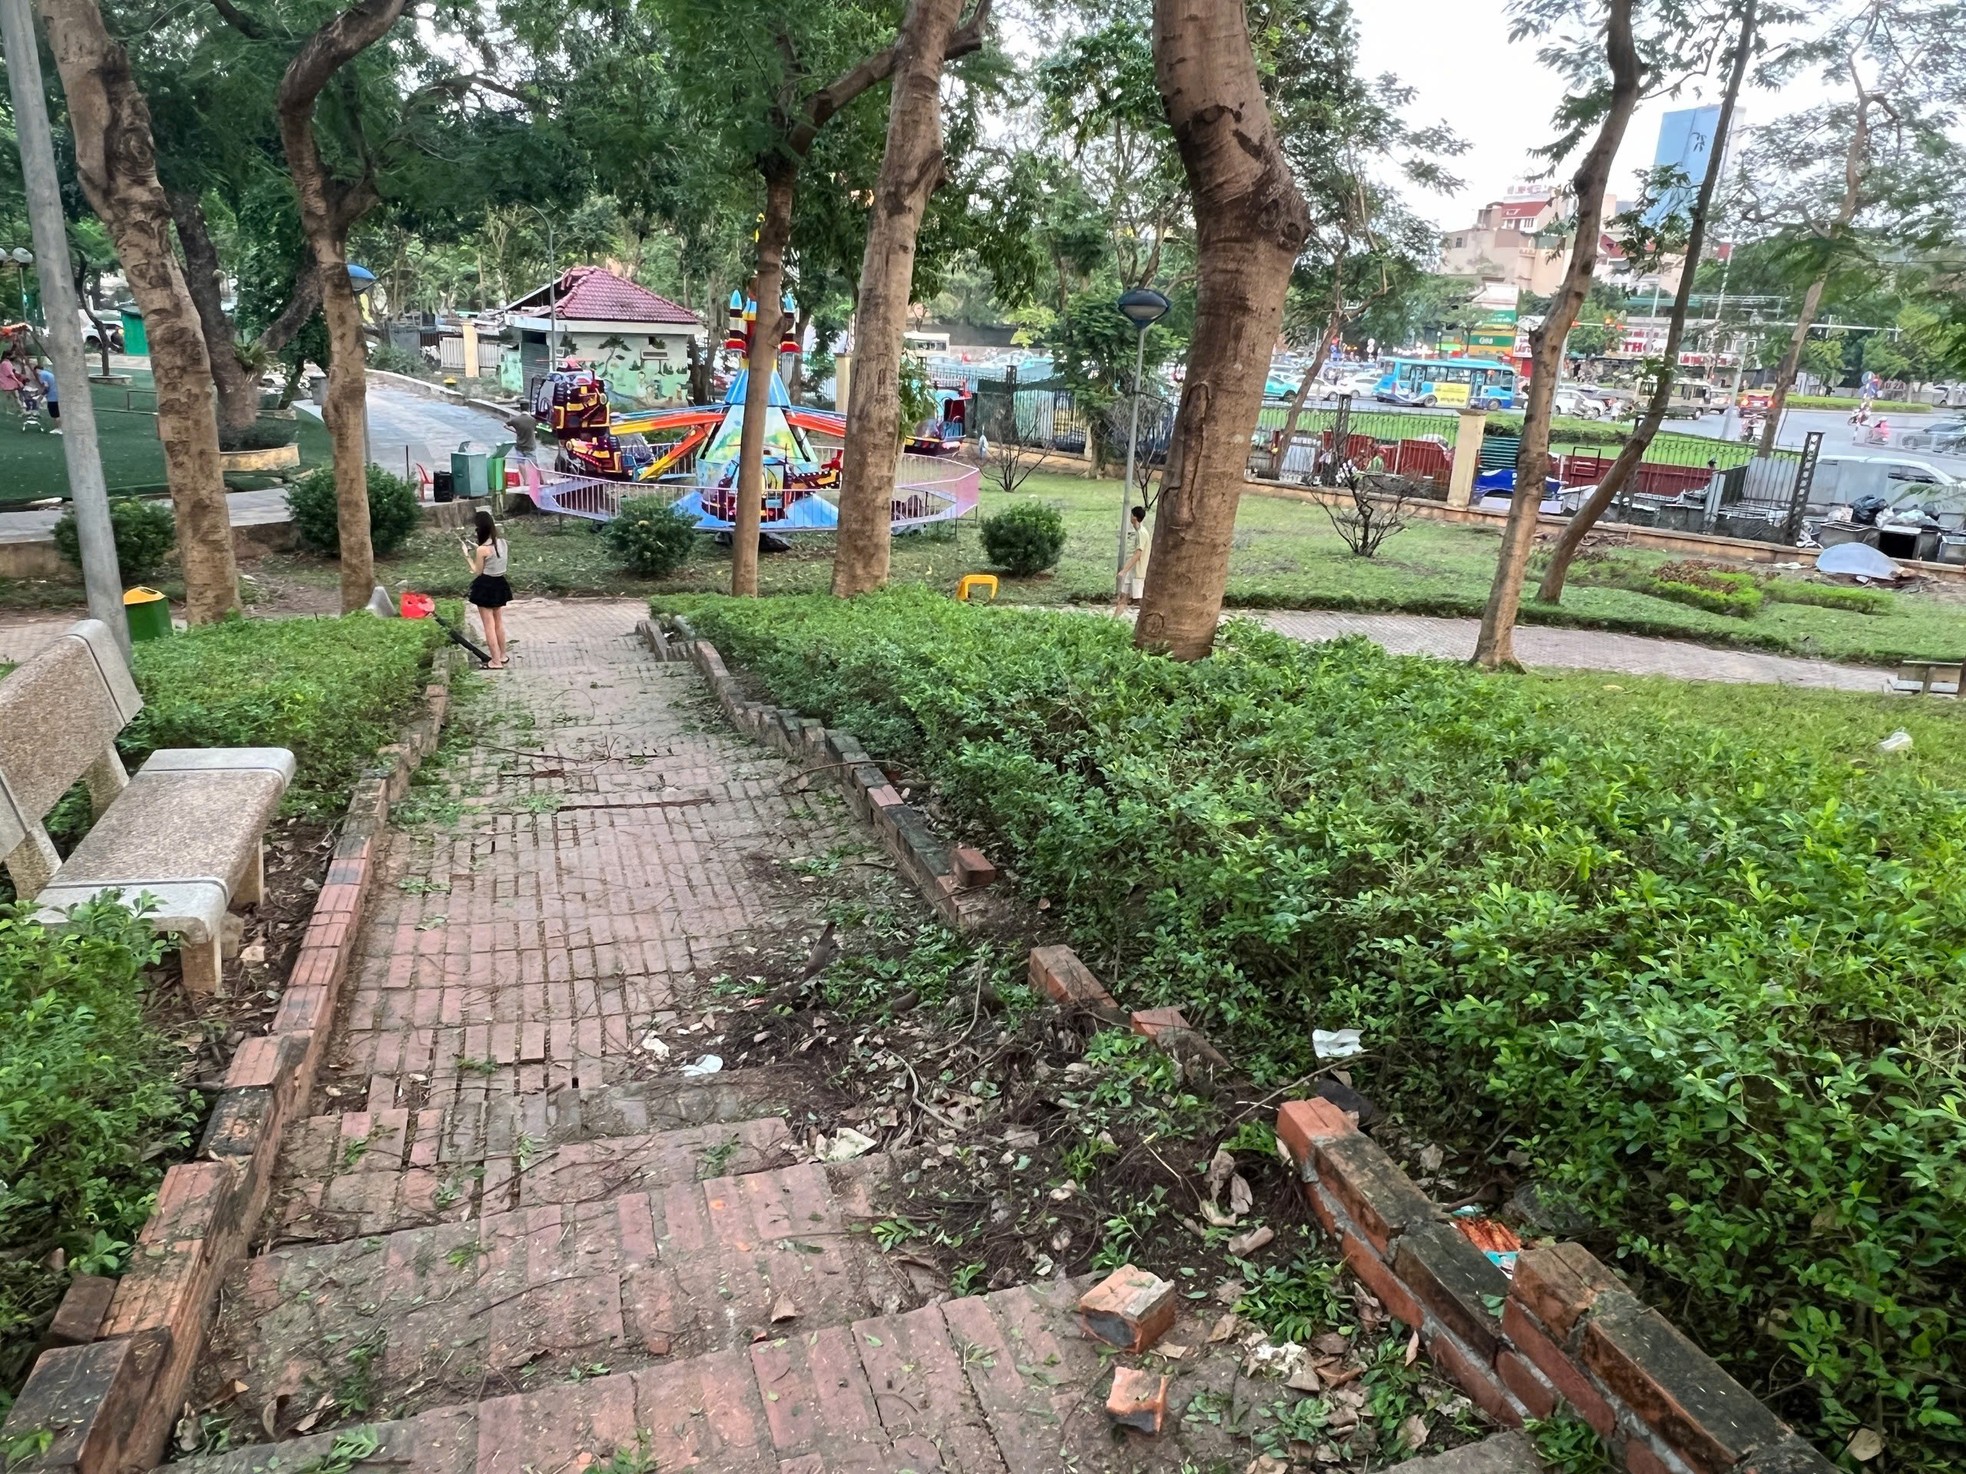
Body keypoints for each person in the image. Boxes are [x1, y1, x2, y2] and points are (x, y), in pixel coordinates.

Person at [462, 509, 512, 669]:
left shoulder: (482, 550)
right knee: (498, 623)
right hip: (500, 584)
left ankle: (495, 662)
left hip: (485, 586)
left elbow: (477, 571)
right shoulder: (503, 543)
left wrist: (467, 556)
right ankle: (502, 656)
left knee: (488, 626)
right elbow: (493, 557)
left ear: (480, 529)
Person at [1114, 502, 1150, 615]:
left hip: (1139, 572)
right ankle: (1112, 623)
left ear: (1134, 517)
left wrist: (1124, 570)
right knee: (1123, 597)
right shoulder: (1139, 532)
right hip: (1133, 572)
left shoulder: (1142, 533)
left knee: (1140, 600)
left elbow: (1138, 554)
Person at [36, 360, 59, 434]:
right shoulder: (48, 374)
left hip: (53, 397)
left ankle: (58, 428)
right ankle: (59, 427)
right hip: (57, 394)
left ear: (37, 370)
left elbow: (46, 387)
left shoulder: (42, 375)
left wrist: (41, 396)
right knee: (57, 412)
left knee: (55, 414)